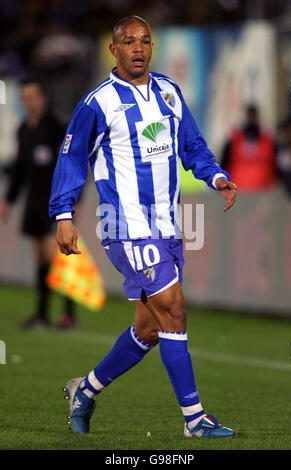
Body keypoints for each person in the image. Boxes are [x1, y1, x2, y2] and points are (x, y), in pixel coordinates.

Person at [49, 16, 237, 438]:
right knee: (174, 309)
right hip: (125, 226)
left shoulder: (169, 92)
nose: (138, 47)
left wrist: (215, 176)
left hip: (167, 226)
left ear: (152, 47)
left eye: (145, 41)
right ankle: (194, 420)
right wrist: (64, 215)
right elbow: (72, 158)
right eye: (129, 41)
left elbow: (192, 145)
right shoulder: (97, 103)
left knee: (150, 328)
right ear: (114, 50)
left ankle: (85, 388)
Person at [0, 77, 77, 328]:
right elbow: (20, 170)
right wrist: (8, 200)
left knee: (57, 256)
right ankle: (42, 314)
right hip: (34, 199)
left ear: (43, 97)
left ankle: (68, 314)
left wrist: (74, 198)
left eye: (33, 96)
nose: (29, 101)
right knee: (41, 259)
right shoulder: (23, 129)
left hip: (55, 199)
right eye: (25, 97)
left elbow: (72, 164)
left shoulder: (57, 126)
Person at [220, 104, 276, 191]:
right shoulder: (234, 141)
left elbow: (274, 167)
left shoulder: (267, 141)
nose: (251, 119)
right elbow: (224, 164)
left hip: (262, 192)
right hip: (238, 192)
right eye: (249, 115)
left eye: (253, 116)